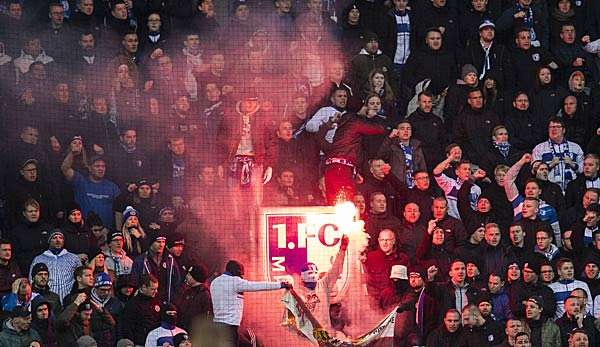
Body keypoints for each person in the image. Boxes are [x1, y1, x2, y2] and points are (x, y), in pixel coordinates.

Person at [210, 260, 291, 346]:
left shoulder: (215, 282)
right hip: (230, 327)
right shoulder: (234, 282)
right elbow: (258, 286)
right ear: (236, 272)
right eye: (240, 274)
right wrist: (281, 285)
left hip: (217, 325)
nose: (241, 277)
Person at [61, 154, 120, 228]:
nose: (101, 169)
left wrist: (118, 231)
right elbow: (65, 168)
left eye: (103, 166)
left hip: (105, 232)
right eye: (97, 166)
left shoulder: (112, 187)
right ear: (89, 168)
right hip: (83, 231)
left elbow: (119, 210)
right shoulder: (80, 181)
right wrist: (72, 153)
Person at [532, 117, 584, 193]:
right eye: (551, 127)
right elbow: (534, 171)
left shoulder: (576, 147)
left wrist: (572, 164)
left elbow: (582, 169)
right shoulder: (539, 148)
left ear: (564, 130)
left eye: (557, 127)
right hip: (549, 190)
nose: (553, 129)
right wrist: (549, 165)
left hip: (572, 190)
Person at [29, 230, 81, 301]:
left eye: (60, 238)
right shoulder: (39, 259)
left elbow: (81, 278)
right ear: (49, 241)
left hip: (69, 300)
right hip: (47, 300)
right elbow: (31, 280)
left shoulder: (74, 258)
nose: (58, 240)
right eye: (54, 237)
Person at [364, 229, 409, 304]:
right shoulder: (370, 257)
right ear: (378, 240)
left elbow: (407, 283)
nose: (385, 243)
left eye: (388, 240)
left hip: (396, 303)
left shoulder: (403, 258)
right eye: (382, 240)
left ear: (394, 241)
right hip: (375, 303)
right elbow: (365, 281)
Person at [120, 274, 161, 346]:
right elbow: (128, 327)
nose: (156, 291)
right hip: (140, 342)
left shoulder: (157, 301)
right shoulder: (132, 304)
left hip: (155, 341)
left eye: (156, 289)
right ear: (144, 287)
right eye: (153, 289)